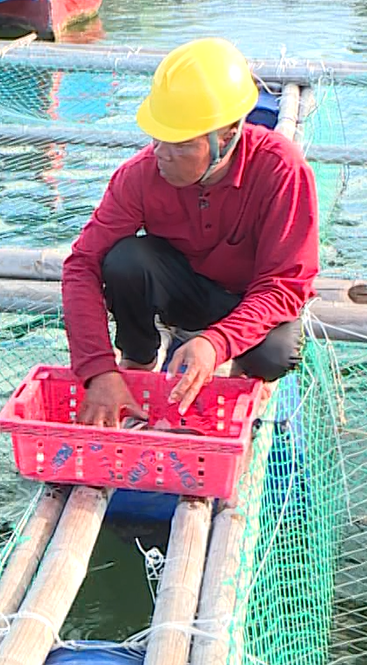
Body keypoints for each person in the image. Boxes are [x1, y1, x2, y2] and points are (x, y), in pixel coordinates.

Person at [62, 37, 319, 427]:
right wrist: (99, 370)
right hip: (181, 290)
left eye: (180, 143)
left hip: (246, 299)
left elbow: (283, 286)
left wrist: (216, 344)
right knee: (124, 260)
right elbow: (81, 266)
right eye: (158, 136)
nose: (162, 152)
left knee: (276, 350)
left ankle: (243, 383)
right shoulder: (139, 176)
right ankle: (138, 360)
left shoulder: (282, 170)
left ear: (227, 136)